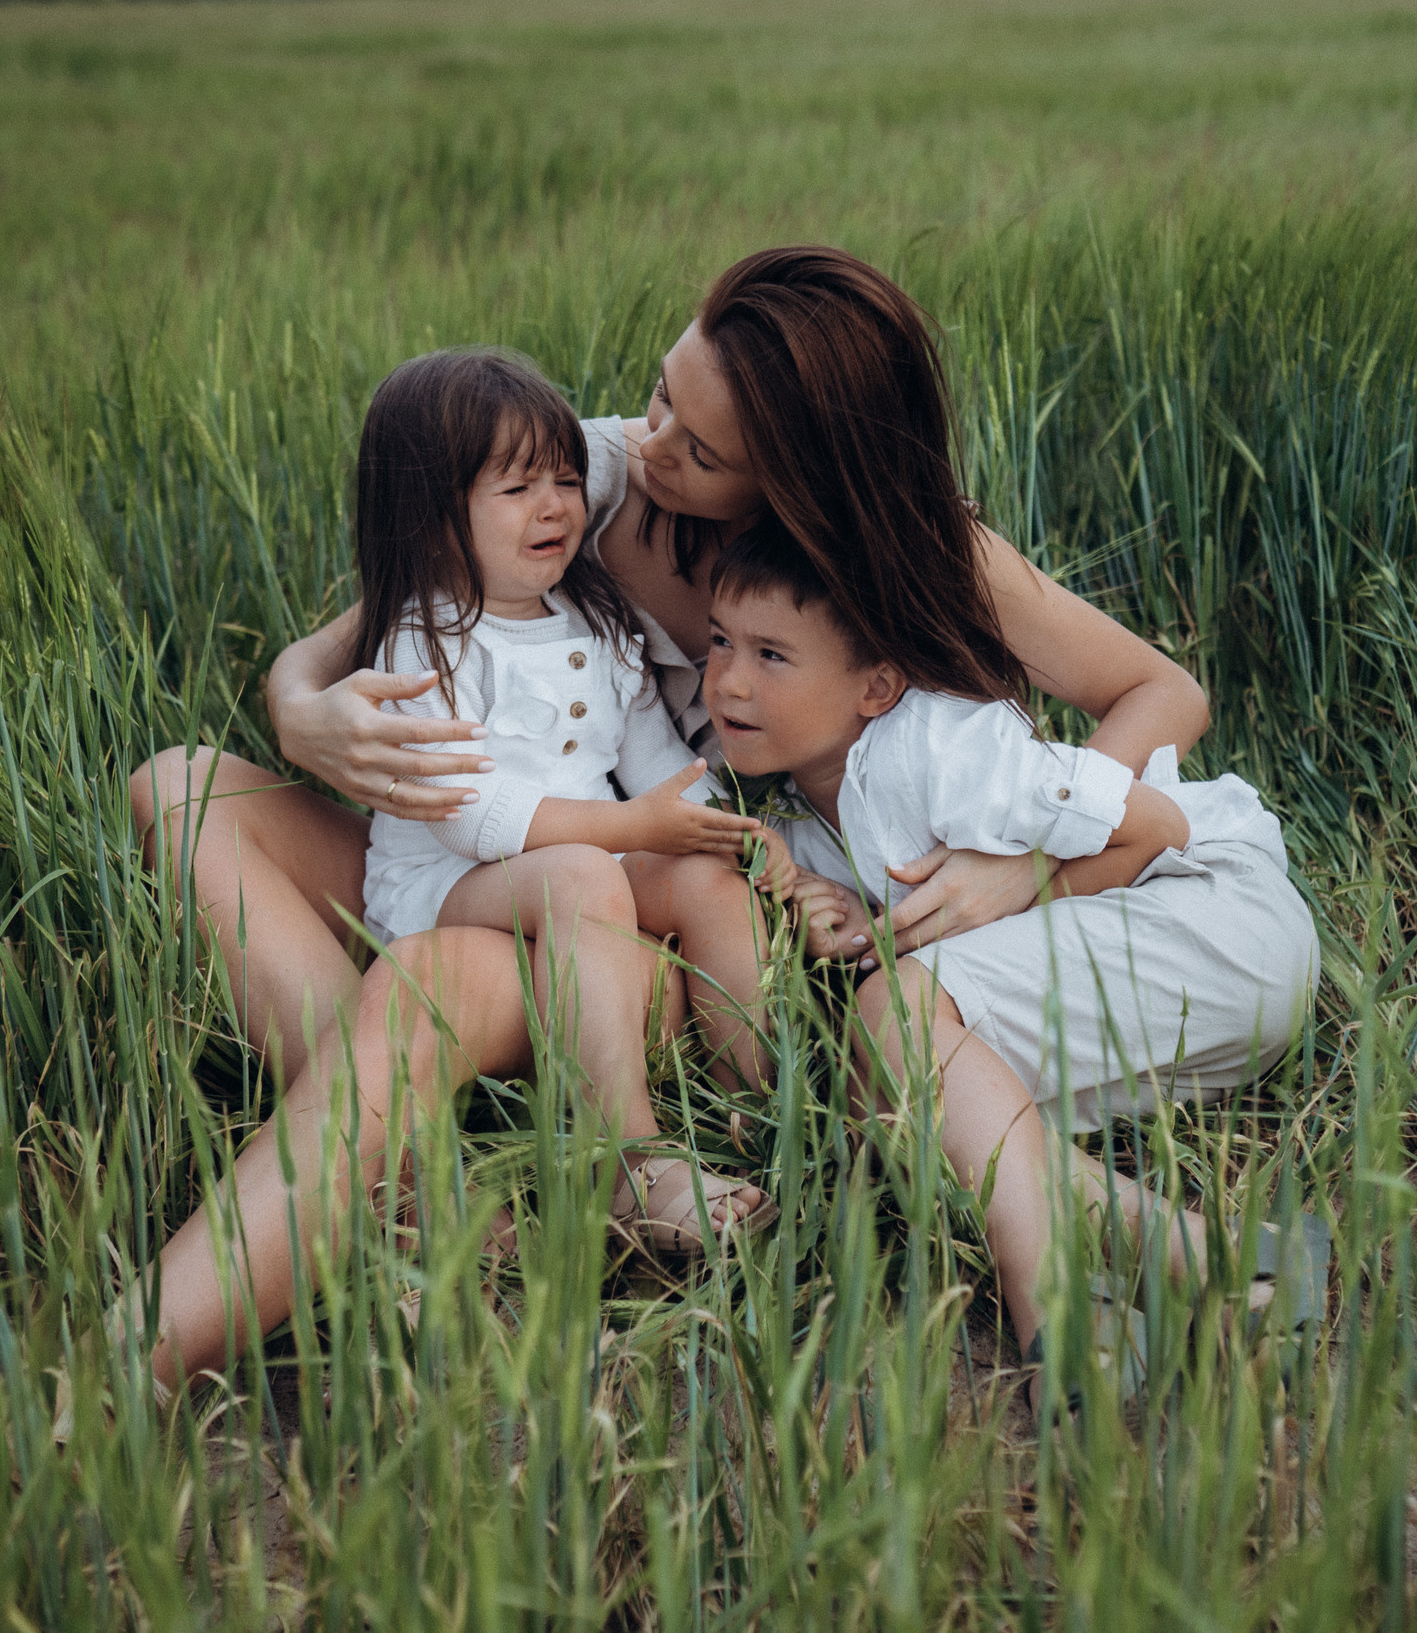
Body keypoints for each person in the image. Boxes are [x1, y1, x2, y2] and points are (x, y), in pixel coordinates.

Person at [123, 246, 1210, 1383]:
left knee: (444, 979)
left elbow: (1165, 693)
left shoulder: (897, 555)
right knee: (178, 786)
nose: (645, 445)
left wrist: (1020, 854)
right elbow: (362, 628)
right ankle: (409, 1186)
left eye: (698, 448)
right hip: (486, 854)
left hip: (648, 903)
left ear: (797, 487)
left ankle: (438, 1193)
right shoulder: (581, 475)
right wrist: (300, 715)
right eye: (658, 394)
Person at [702, 522, 1320, 1355]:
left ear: (877, 686)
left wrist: (1028, 880)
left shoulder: (938, 745)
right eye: (717, 642)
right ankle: (1204, 1256)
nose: (729, 682)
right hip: (1160, 998)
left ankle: (1053, 1312)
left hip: (1209, 910)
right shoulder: (785, 795)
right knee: (886, 1106)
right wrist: (845, 917)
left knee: (898, 1013)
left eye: (771, 655)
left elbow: (1157, 825)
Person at [348, 346, 781, 1250]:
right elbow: (469, 814)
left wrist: (709, 827)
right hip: (449, 887)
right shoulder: (424, 640)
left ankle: (763, 1108)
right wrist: (633, 828)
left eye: (565, 479)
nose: (555, 506)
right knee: (583, 877)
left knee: (706, 885)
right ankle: (622, 1161)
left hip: (589, 859)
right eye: (516, 490)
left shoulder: (596, 616)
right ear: (433, 520)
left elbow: (653, 754)